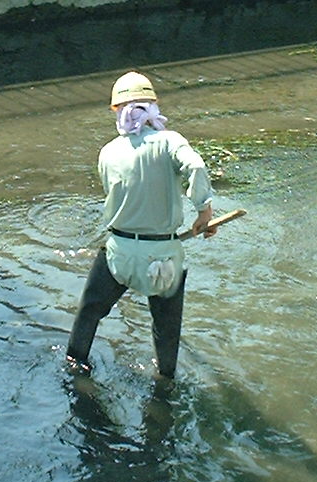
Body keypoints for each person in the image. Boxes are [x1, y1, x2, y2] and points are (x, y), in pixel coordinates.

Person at [66, 71, 216, 380]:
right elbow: (197, 166)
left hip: (119, 252)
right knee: (166, 329)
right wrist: (204, 212)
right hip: (164, 255)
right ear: (152, 108)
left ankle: (75, 366)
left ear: (118, 112)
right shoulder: (170, 140)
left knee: (90, 311)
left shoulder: (107, 152)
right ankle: (165, 383)